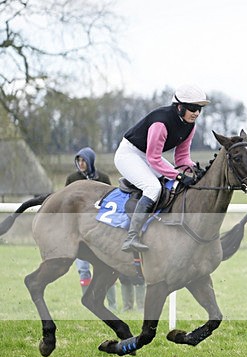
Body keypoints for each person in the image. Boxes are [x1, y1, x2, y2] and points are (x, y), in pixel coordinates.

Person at [114, 84, 209, 253]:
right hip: (129, 155)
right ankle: (132, 237)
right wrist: (178, 176)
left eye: (199, 109)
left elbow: (181, 158)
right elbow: (154, 158)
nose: (196, 113)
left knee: (176, 186)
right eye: (192, 108)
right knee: (153, 188)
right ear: (180, 107)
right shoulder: (161, 123)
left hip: (149, 155)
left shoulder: (190, 126)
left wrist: (194, 170)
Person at [65, 147, 117, 309]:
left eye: (84, 160)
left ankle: (112, 305)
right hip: (78, 231)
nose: (81, 164)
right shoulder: (72, 179)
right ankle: (89, 304)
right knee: (83, 270)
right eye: (78, 160)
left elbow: (111, 201)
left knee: (108, 268)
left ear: (90, 161)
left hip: (100, 231)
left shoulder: (103, 178)